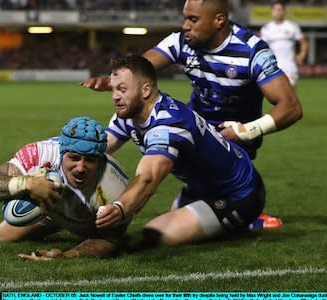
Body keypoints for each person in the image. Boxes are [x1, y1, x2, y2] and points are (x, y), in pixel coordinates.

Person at [80, 0, 303, 230]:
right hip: (195, 131)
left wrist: (246, 131)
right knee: (178, 213)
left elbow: (290, 108)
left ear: (219, 20)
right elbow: (140, 70)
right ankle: (232, 213)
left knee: (223, 188)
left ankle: (245, 214)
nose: (185, 25)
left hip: (234, 138)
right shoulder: (181, 42)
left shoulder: (252, 51)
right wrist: (114, 81)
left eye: (193, 19)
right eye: (185, 18)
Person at [95, 55, 266, 246]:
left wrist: (120, 208)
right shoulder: (130, 112)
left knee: (154, 234)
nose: (115, 96)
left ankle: (244, 223)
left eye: (122, 89)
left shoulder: (169, 124)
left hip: (238, 194)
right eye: (114, 89)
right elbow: (99, 148)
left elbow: (148, 179)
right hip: (199, 187)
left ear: (146, 90)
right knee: (164, 227)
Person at [0, 116, 131, 260]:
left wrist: (68, 254)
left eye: (90, 160)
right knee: (1, 235)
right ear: (62, 153)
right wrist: (27, 183)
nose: (81, 167)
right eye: (74, 158)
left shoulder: (115, 186)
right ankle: (53, 223)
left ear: (100, 160)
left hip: (87, 222)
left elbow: (111, 240)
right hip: (49, 209)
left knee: (94, 237)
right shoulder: (39, 154)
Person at [260, 0, 309, 86]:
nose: (278, 12)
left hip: (290, 67)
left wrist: (302, 55)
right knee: (277, 96)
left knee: (289, 95)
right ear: (272, 12)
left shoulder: (292, 26)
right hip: (273, 67)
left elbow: (303, 42)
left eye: (280, 9)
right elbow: (261, 48)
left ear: (284, 11)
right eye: (276, 9)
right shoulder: (266, 29)